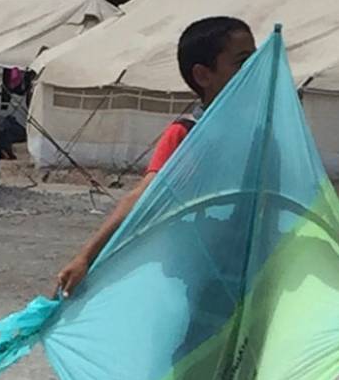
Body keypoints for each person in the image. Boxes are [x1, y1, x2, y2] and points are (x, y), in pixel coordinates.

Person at [54, 16, 256, 297]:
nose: (256, 69)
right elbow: (141, 197)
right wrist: (85, 257)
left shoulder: (263, 132)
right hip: (197, 275)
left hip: (253, 272)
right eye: (243, 61)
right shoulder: (186, 136)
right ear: (203, 75)